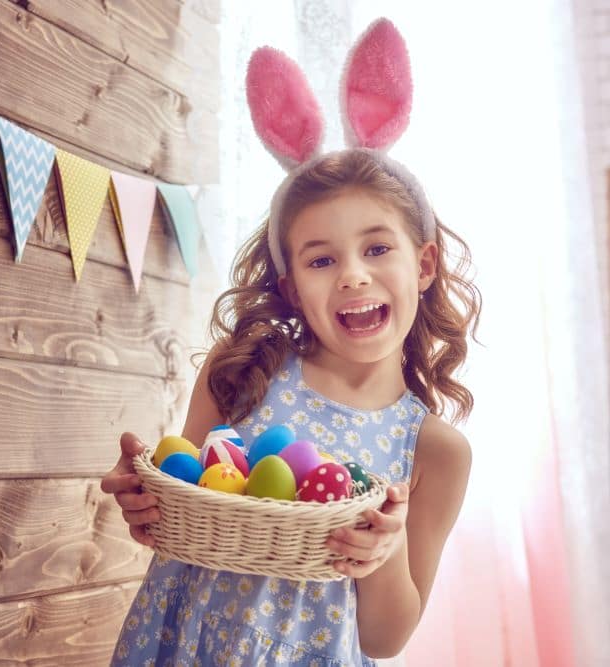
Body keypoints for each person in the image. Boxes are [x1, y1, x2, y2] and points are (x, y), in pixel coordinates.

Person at [100, 18, 481, 666]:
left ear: (422, 264)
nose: (354, 272)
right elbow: (180, 515)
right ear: (291, 284)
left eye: (377, 247)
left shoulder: (435, 450)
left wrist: (379, 556)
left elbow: (386, 639)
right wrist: (147, 496)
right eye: (321, 259)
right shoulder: (245, 372)